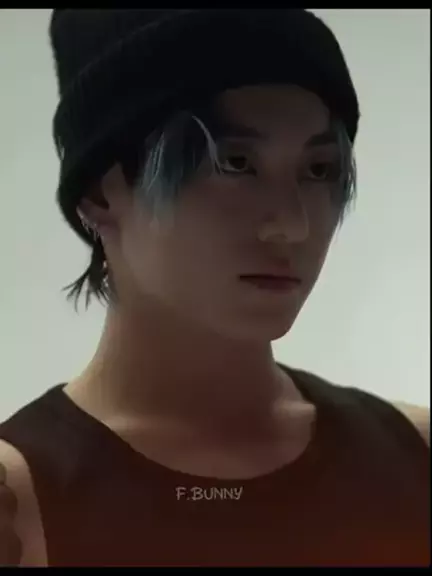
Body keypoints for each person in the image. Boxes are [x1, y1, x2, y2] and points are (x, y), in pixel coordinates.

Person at [0, 9, 429, 568]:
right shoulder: (22, 502)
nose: (291, 225)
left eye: (319, 169)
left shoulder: (413, 458)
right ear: (102, 192)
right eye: (236, 163)